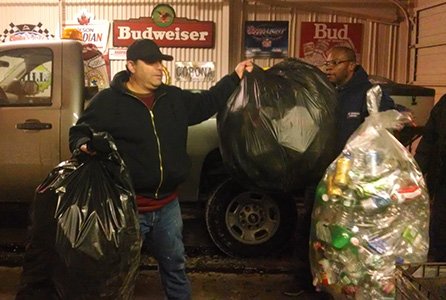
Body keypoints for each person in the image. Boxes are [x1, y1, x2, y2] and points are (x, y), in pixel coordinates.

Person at [68, 39, 253, 300]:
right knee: (116, 272)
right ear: (131, 66)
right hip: (129, 210)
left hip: (168, 207)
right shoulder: (109, 101)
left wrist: (234, 76)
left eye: (160, 62)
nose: (159, 68)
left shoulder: (172, 98)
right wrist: (83, 144)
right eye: (152, 62)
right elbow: (79, 131)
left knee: (175, 265)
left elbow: (208, 101)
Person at [284, 46, 396, 298]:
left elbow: (390, 116)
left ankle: (342, 284)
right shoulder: (326, 92)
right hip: (321, 174)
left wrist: (389, 121)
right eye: (326, 63)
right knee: (312, 227)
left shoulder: (369, 93)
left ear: (351, 65)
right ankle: (306, 279)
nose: (329, 68)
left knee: (344, 233)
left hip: (350, 179)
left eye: (335, 63)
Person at [414, 94, 446, 262]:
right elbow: (428, 142)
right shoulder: (444, 104)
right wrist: (414, 173)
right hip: (442, 186)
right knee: (439, 237)